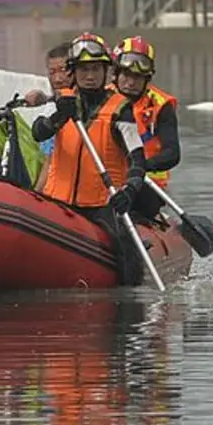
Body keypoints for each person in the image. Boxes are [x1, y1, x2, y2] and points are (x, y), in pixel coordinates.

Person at [31, 33, 148, 284]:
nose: (90, 75)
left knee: (125, 244)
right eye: (83, 69)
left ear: (107, 71)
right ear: (73, 72)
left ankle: (131, 302)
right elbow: (38, 133)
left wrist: (129, 191)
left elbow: (138, 159)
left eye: (96, 69)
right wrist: (58, 118)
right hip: (58, 199)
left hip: (102, 203)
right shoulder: (62, 102)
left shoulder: (120, 109)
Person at [109, 36, 181, 226]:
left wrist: (140, 167)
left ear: (147, 78)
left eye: (138, 77)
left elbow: (172, 154)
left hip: (147, 184)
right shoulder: (100, 99)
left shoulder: (160, 105)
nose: (131, 82)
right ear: (116, 74)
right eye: (126, 75)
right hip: (107, 179)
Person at [0, 43, 69, 187]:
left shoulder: (74, 113)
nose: (57, 79)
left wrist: (34, 196)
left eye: (63, 70)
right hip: (43, 175)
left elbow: (50, 162)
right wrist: (46, 98)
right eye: (52, 72)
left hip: (56, 188)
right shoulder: (51, 107)